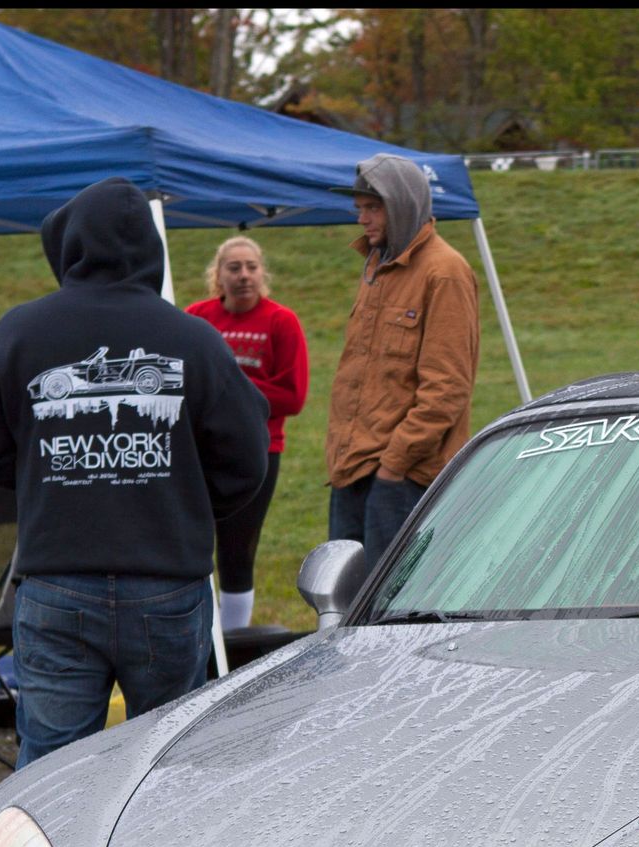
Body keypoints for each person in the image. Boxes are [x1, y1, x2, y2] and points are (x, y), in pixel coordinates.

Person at [0, 178, 270, 769]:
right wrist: (181, 499)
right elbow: (247, 458)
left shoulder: (20, 331)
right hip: (167, 579)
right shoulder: (194, 338)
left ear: (70, 244)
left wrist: (47, 479)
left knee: (51, 771)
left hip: (58, 577)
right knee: (167, 765)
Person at [323, 153, 480, 570]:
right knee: (344, 594)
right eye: (359, 208)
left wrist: (394, 466)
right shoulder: (376, 264)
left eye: (372, 208)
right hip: (353, 469)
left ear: (402, 205)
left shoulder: (445, 271)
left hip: (402, 477)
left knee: (392, 602)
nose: (362, 219)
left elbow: (446, 388)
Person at [186, 236, 309, 630]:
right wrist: (240, 391)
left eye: (251, 267)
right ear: (218, 275)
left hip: (258, 451)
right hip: (198, 452)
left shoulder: (281, 321)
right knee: (190, 544)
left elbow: (292, 396)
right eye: (234, 267)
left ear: (262, 273)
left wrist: (227, 390)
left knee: (237, 550)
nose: (243, 276)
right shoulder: (197, 318)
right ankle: (197, 631)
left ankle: (233, 637)